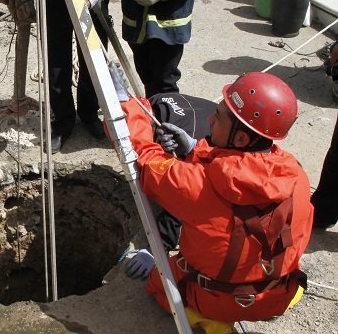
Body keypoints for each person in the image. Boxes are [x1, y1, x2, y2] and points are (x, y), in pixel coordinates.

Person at [116, 72, 313, 329]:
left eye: (218, 117)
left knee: (158, 285)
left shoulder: (197, 185)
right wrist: (196, 150)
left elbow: (145, 158)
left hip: (219, 299)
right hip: (281, 292)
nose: (210, 119)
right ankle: (265, 304)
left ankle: (210, 321)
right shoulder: (297, 174)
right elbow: (242, 173)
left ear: (241, 138)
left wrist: (127, 105)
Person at [0, 0, 116, 153]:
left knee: (93, 59)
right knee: (55, 60)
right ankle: (63, 121)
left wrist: (86, 0)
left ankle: (89, 114)